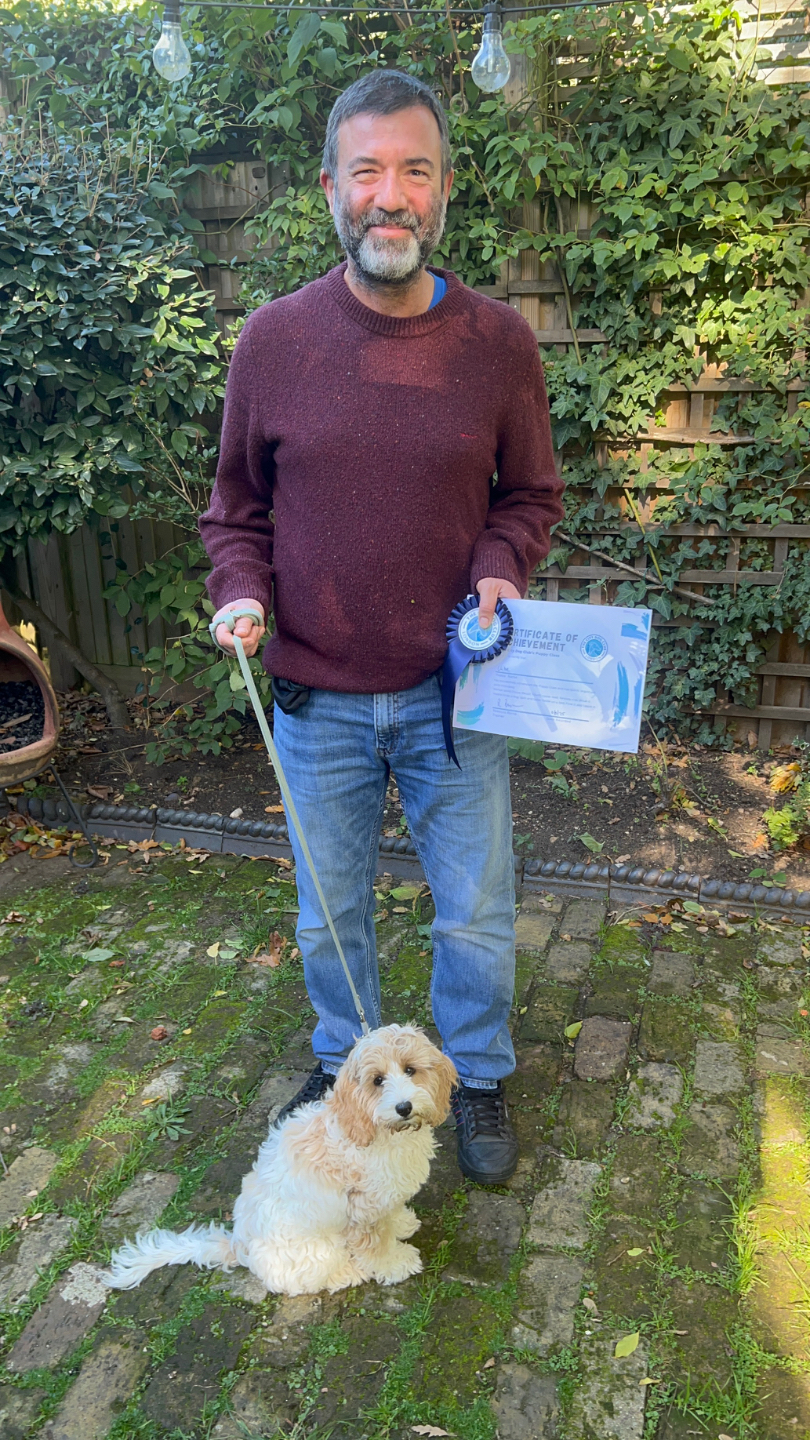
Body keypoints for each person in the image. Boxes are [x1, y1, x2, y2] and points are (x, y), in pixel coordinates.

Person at [199, 68, 564, 1185]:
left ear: (444, 189)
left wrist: (499, 569)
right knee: (328, 918)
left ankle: (476, 1074)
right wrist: (242, 590)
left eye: (415, 170)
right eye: (367, 171)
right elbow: (235, 510)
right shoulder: (274, 341)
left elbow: (530, 495)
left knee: (476, 913)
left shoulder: (498, 343)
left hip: (457, 698)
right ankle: (343, 1067)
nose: (390, 195)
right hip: (316, 701)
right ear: (330, 188)